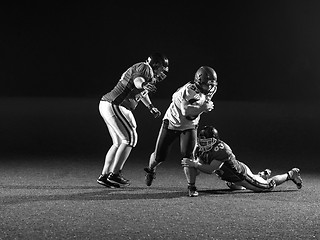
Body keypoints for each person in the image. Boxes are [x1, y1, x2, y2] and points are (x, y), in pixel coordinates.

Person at [97, 53, 169, 188]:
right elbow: (138, 81)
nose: (163, 72)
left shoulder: (147, 73)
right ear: (156, 64)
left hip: (109, 104)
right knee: (130, 139)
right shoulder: (145, 67)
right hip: (115, 104)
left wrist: (150, 107)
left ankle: (105, 175)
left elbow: (141, 93)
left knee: (118, 143)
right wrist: (143, 84)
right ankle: (115, 173)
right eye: (162, 68)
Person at [144, 66, 218, 194]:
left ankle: (191, 186)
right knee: (159, 156)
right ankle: (151, 169)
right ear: (199, 82)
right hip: (172, 123)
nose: (210, 88)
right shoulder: (189, 91)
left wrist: (203, 106)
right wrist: (203, 107)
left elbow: (195, 110)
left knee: (188, 157)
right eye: (208, 85)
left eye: (212, 85)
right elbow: (186, 111)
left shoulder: (211, 89)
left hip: (189, 125)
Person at [181, 125, 303, 197]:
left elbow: (210, 169)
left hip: (241, 176)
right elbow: (199, 168)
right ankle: (261, 175)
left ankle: (290, 174)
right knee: (234, 187)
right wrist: (193, 166)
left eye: (207, 143)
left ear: (215, 141)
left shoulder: (222, 149)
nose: (203, 145)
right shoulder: (199, 148)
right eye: (201, 142)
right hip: (229, 178)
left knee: (267, 187)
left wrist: (194, 164)